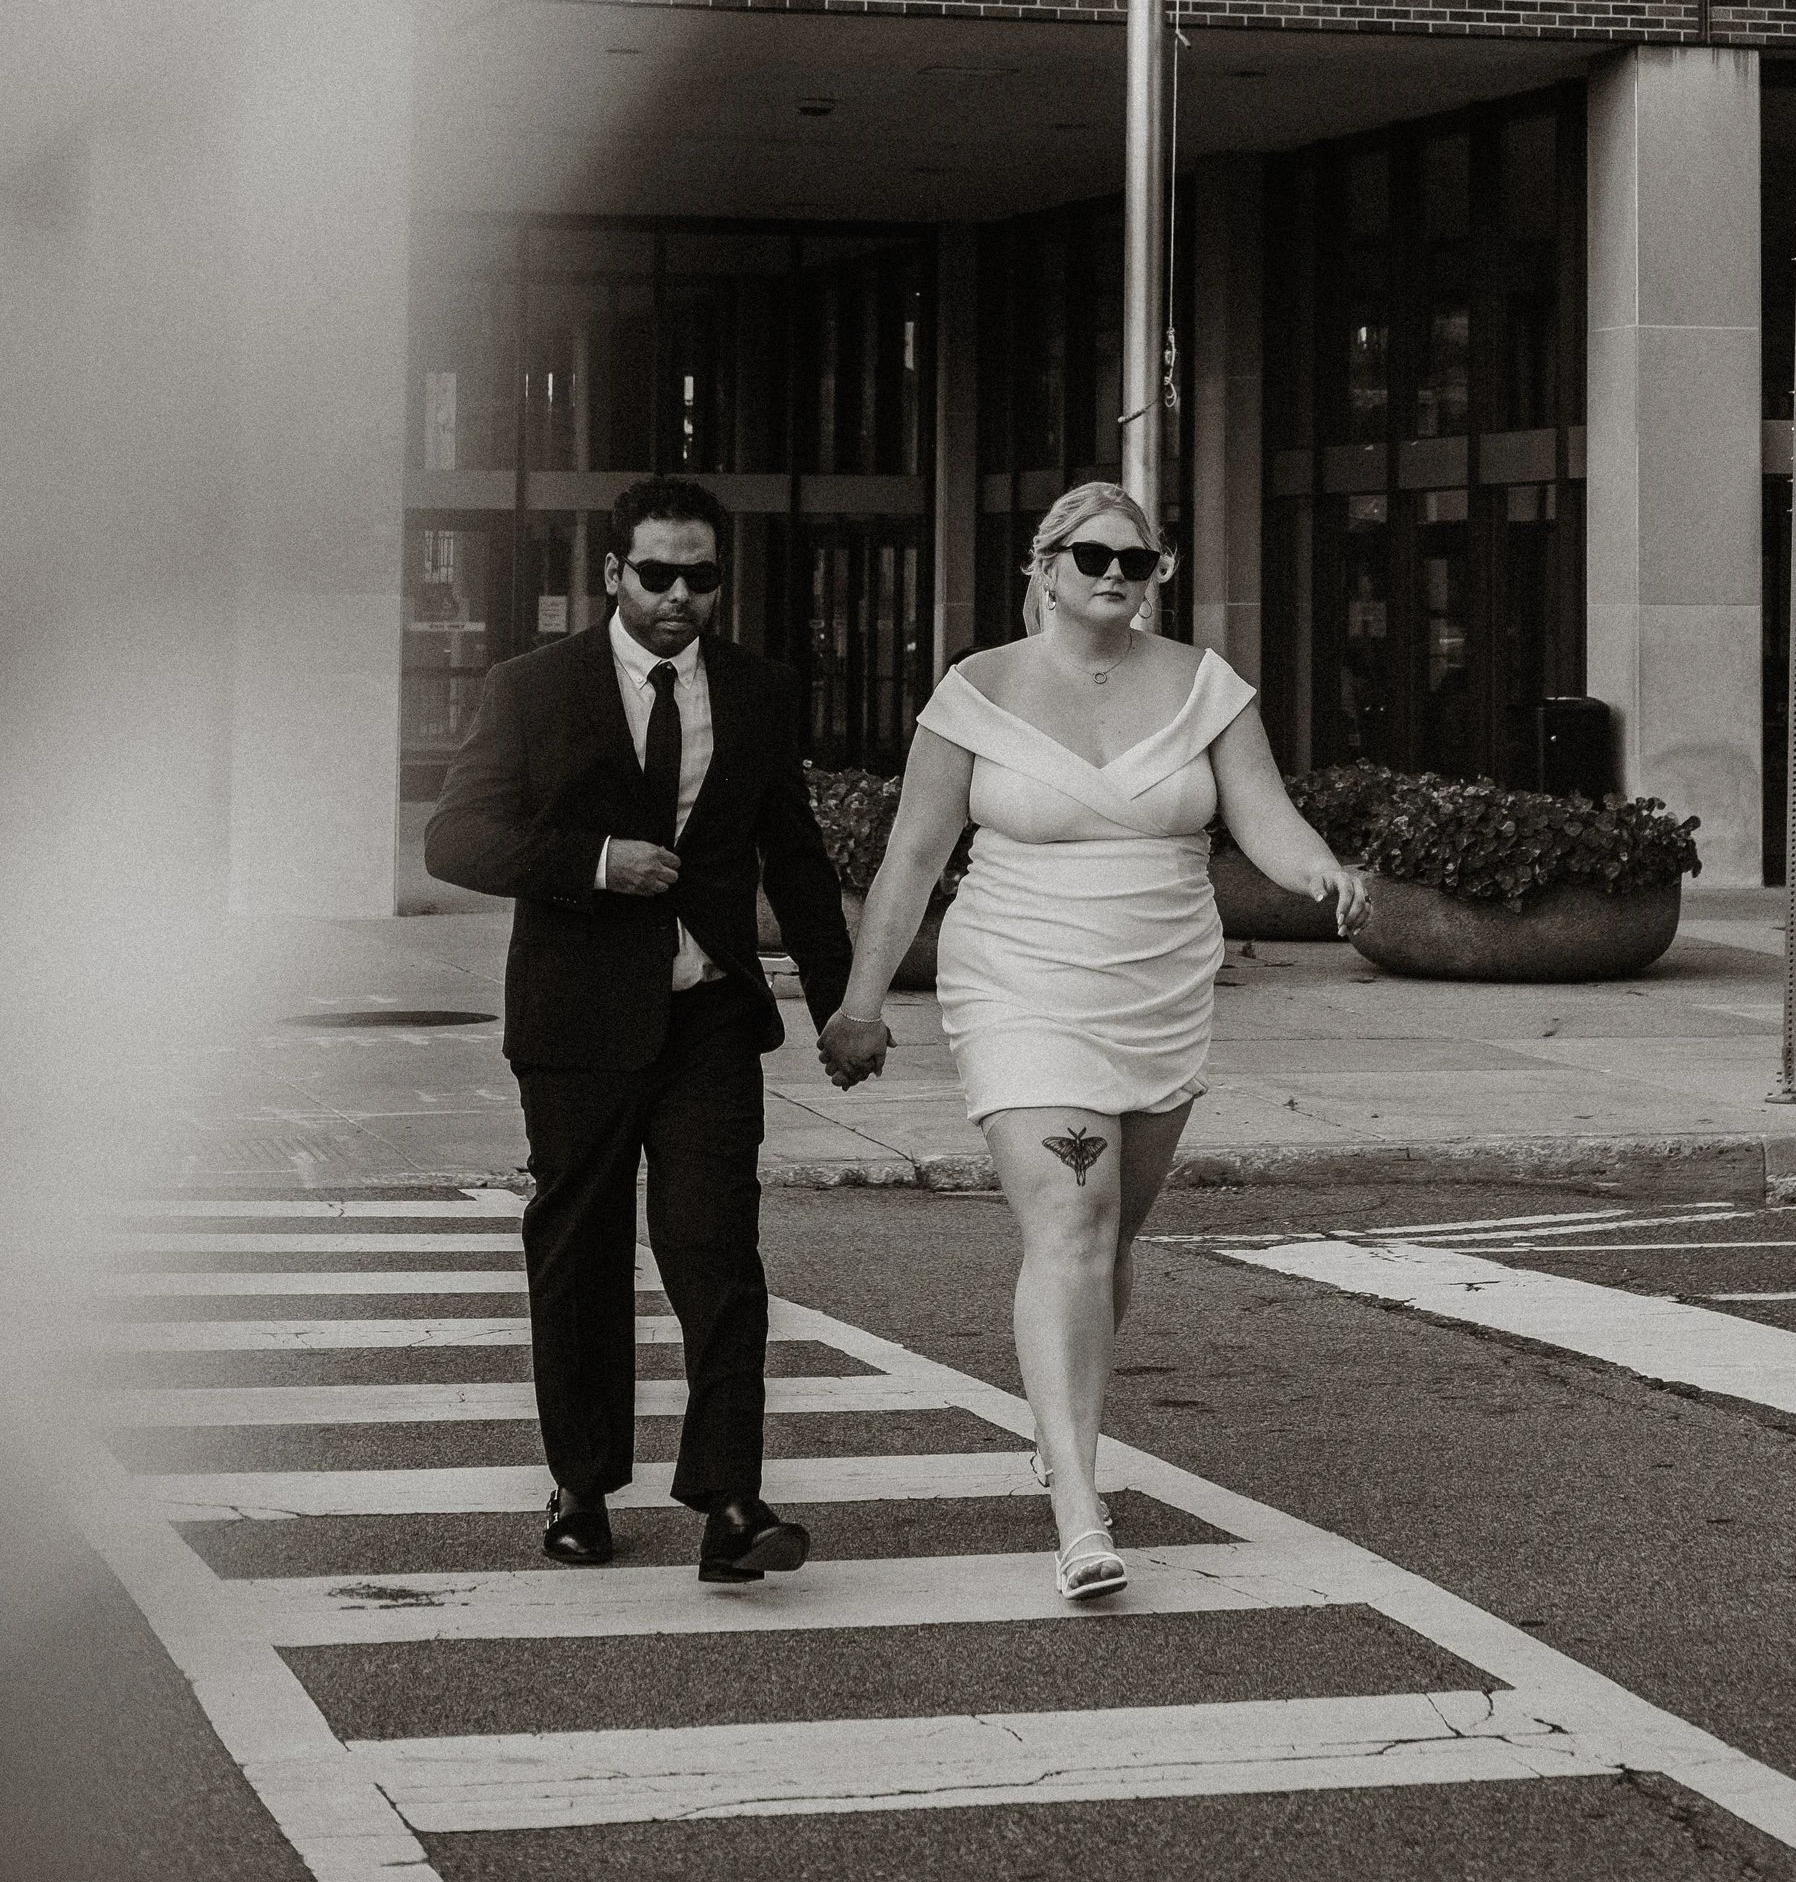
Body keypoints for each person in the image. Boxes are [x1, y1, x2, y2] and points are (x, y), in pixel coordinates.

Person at [819, 480, 1369, 1602]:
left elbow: (1261, 818)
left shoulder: (1205, 687)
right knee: (1071, 1217)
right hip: (1019, 980)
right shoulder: (975, 690)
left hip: (1160, 985)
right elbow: (914, 859)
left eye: (1137, 560)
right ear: (1044, 565)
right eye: (1091, 557)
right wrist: (860, 1003)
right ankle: (1078, 1501)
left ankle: (1059, 1429)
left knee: (1109, 1238)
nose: (1114, 575)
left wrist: (1320, 870)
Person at [425, 476, 853, 1583]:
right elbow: (457, 840)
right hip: (575, 1019)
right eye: (654, 574)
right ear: (612, 573)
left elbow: (794, 857)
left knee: (717, 1250)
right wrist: (593, 863)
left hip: (707, 1016)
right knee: (579, 1254)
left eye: (698, 577)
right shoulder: (533, 688)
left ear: (720, 581)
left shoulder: (757, 691)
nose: (676, 596)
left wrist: (844, 999)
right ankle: (581, 1485)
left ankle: (732, 1502)